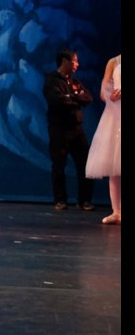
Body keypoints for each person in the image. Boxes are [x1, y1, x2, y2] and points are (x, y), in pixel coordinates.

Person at [42, 49, 95, 211]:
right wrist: (74, 97)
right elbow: (56, 100)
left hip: (77, 129)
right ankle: (60, 200)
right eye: (74, 62)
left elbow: (88, 98)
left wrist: (71, 97)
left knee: (86, 165)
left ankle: (84, 200)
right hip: (59, 129)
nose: (76, 65)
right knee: (59, 164)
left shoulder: (76, 82)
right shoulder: (51, 80)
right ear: (64, 61)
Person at [86, 54, 120, 224]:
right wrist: (110, 95)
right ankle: (117, 211)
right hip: (116, 115)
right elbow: (103, 90)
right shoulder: (113, 62)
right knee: (115, 166)